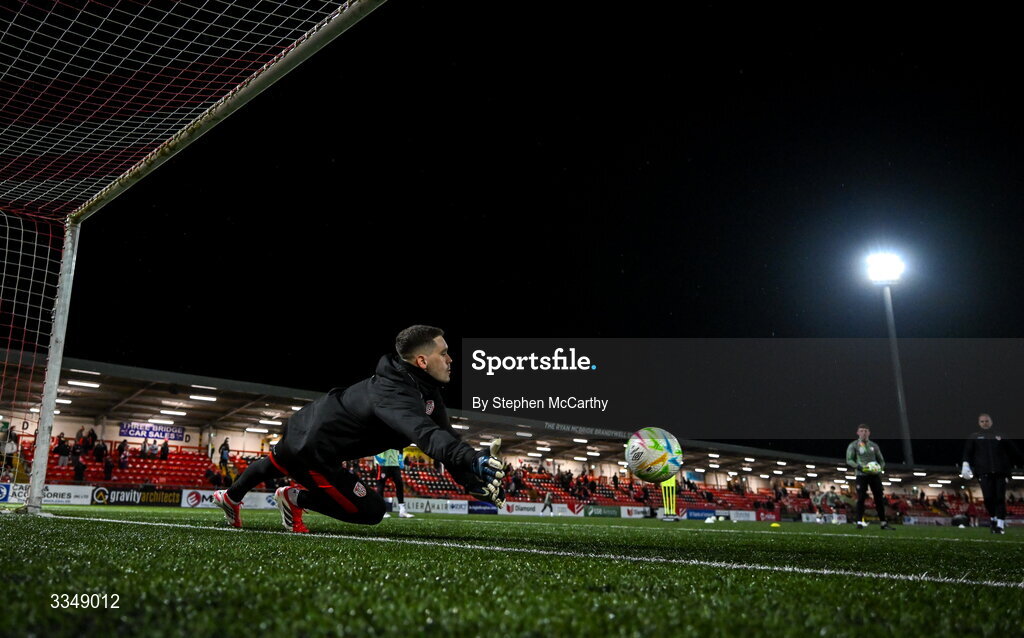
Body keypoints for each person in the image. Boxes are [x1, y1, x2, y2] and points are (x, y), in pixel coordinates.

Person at [212, 325, 505, 533]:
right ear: (422, 361)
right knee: (371, 511)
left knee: (274, 463)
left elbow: (445, 436)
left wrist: (472, 482)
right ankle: (293, 497)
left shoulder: (425, 389)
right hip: (314, 450)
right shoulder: (393, 392)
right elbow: (424, 434)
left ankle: (230, 496)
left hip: (308, 424)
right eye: (445, 353)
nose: (451, 359)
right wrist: (472, 458)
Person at [961, 413, 1023, 535]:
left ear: (991, 422)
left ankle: (1000, 525)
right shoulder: (974, 437)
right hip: (983, 473)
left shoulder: (1000, 436)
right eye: (982, 421)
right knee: (988, 499)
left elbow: (1014, 451)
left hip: (1001, 473)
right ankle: (993, 518)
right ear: (979, 423)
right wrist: (965, 464)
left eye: (987, 421)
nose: (985, 423)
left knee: (1000, 498)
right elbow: (967, 452)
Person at [846, 424, 893, 530]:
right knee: (861, 498)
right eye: (861, 431)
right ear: (857, 433)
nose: (864, 433)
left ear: (869, 433)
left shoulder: (874, 445)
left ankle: (883, 523)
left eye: (866, 431)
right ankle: (859, 522)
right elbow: (849, 460)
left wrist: (879, 468)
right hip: (861, 475)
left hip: (874, 475)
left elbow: (882, 461)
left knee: (879, 499)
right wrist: (860, 467)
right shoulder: (854, 445)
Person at [375, 448, 413, 518]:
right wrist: (376, 457)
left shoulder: (398, 437)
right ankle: (380, 510)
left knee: (399, 484)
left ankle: (402, 510)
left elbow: (400, 446)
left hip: (395, 463)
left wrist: (401, 458)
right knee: (381, 485)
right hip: (382, 463)